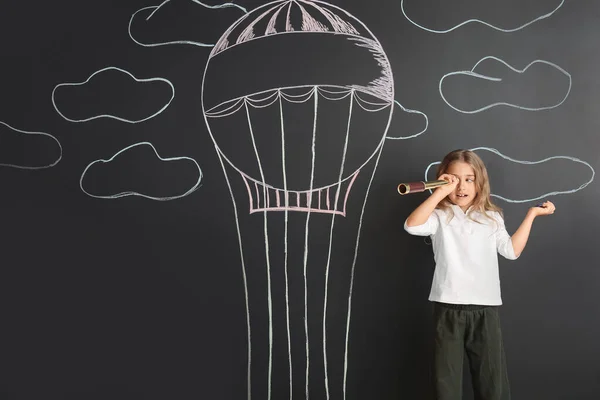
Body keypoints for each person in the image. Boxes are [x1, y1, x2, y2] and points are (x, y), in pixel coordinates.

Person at [403, 149, 556, 400]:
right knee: (446, 383)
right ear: (442, 180)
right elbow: (412, 225)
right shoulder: (439, 216)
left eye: (469, 179)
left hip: (485, 308)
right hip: (447, 307)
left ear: (479, 183)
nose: (461, 186)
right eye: (453, 179)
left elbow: (511, 251)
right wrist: (440, 192)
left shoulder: (491, 217)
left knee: (491, 382)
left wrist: (531, 215)